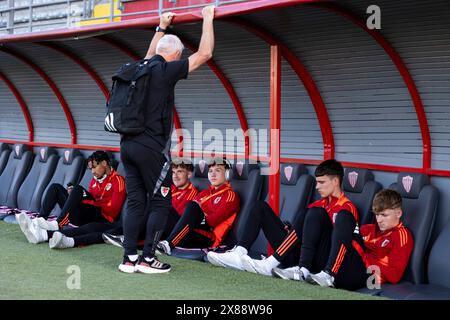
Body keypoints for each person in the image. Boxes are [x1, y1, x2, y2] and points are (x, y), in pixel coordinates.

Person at [119, 5, 216, 274]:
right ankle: (148, 259)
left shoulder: (141, 67)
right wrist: (207, 17)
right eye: (178, 56)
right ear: (175, 54)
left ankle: (128, 258)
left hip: (127, 144)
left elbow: (152, 52)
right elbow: (205, 53)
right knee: (161, 200)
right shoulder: (166, 70)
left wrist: (162, 26)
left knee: (136, 201)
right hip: (151, 147)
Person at [207, 159, 359, 284]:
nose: (317, 187)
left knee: (314, 213)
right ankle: (239, 252)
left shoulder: (347, 208)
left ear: (335, 181)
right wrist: (291, 231)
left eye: (321, 182)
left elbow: (343, 242)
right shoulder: (317, 204)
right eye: (317, 182)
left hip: (320, 260)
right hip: (297, 255)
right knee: (260, 207)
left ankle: (274, 263)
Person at [273, 189, 414, 290]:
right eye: (377, 215)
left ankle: (328, 274)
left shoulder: (402, 235)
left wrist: (365, 257)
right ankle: (302, 269)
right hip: (340, 266)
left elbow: (395, 274)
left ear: (398, 213)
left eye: (384, 215)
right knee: (315, 214)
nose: (379, 220)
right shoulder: (368, 229)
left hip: (364, 275)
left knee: (345, 217)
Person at [17, 151, 126, 247]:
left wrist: (87, 199)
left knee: (78, 189)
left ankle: (58, 224)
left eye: (94, 167)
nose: (92, 171)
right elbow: (90, 200)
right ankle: (39, 222)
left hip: (102, 218)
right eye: (90, 169)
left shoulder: (118, 180)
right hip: (86, 214)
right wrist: (74, 197)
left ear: (104, 163)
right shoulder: (95, 181)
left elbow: (114, 211)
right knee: (56, 188)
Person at [102, 157, 198, 247]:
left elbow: (181, 220)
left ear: (189, 174)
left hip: (174, 231)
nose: (175, 176)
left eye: (179, 172)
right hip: (158, 224)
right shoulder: (170, 188)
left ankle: (129, 237)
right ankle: (124, 235)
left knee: (155, 204)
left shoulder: (192, 193)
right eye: (173, 172)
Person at [157, 157, 240, 255]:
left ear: (227, 174)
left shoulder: (230, 195)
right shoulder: (204, 193)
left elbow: (212, 222)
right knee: (165, 208)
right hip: (190, 230)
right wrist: (195, 215)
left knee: (193, 206)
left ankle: (168, 245)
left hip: (208, 238)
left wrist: (197, 214)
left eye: (218, 170)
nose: (213, 174)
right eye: (210, 171)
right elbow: (187, 215)